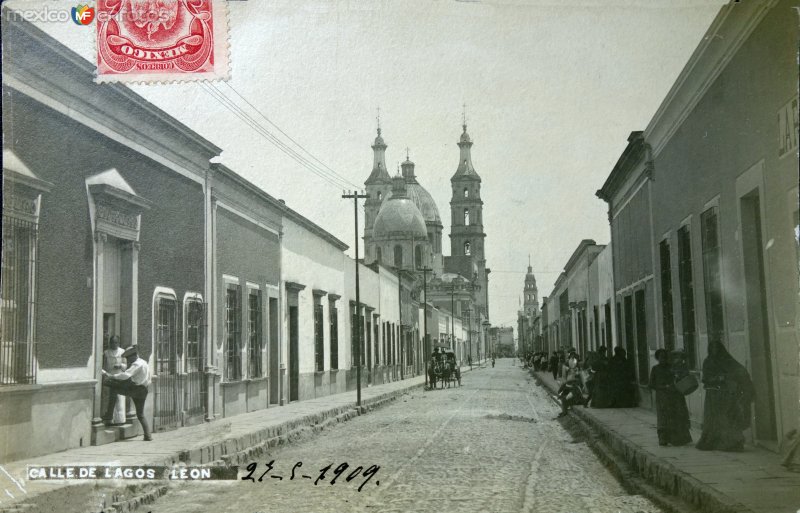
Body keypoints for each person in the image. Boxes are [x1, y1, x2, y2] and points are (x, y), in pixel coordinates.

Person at [696, 341, 754, 452]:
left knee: (728, 418)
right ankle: (714, 442)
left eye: (717, 348)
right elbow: (705, 379)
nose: (714, 350)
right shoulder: (707, 362)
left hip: (727, 395)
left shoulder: (728, 360)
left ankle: (731, 444)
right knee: (715, 419)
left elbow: (740, 371)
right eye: (712, 348)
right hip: (713, 395)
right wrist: (718, 378)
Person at [102, 346, 152, 441]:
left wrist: (113, 376)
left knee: (113, 386)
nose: (128, 360)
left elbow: (126, 375)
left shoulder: (136, 365)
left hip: (135, 389)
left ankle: (109, 414)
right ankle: (148, 435)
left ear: (134, 356)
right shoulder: (143, 362)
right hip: (144, 389)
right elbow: (132, 370)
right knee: (140, 414)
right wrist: (122, 367)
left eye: (129, 358)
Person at [649, 349, 692, 446]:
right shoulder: (655, 369)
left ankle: (676, 439)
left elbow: (679, 377)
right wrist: (663, 387)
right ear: (658, 358)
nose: (663, 359)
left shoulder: (672, 368)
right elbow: (651, 384)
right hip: (662, 397)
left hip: (673, 396)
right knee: (663, 418)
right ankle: (663, 439)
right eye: (661, 357)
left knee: (674, 417)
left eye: (665, 357)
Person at [102, 335, 127, 425]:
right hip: (109, 377)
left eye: (116, 342)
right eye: (112, 342)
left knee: (119, 398)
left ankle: (120, 420)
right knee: (108, 398)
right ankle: (109, 420)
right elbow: (102, 366)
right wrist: (105, 373)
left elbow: (126, 366)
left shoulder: (122, 352)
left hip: (119, 377)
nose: (114, 344)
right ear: (110, 343)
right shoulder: (106, 353)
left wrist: (120, 366)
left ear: (118, 343)